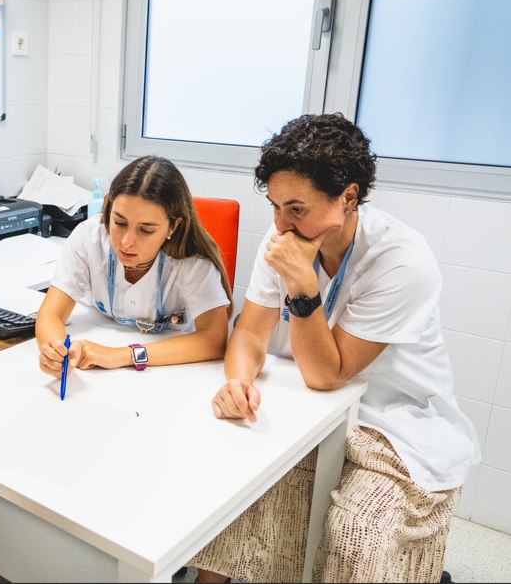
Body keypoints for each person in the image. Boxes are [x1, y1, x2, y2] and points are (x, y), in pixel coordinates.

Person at [189, 113, 480, 583]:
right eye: (276, 206)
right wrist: (238, 380)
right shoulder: (285, 236)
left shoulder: (401, 261)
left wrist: (303, 286)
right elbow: (247, 333)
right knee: (234, 489)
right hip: (308, 409)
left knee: (355, 537)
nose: (281, 223)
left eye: (297, 209)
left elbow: (328, 373)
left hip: (392, 424)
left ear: (349, 196)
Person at [36, 155, 232, 377]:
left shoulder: (193, 260)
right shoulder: (88, 236)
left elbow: (214, 341)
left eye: (146, 230)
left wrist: (123, 355)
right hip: (94, 367)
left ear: (172, 227)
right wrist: (55, 350)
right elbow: (50, 314)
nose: (127, 241)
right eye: (119, 222)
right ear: (108, 206)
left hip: (170, 373)